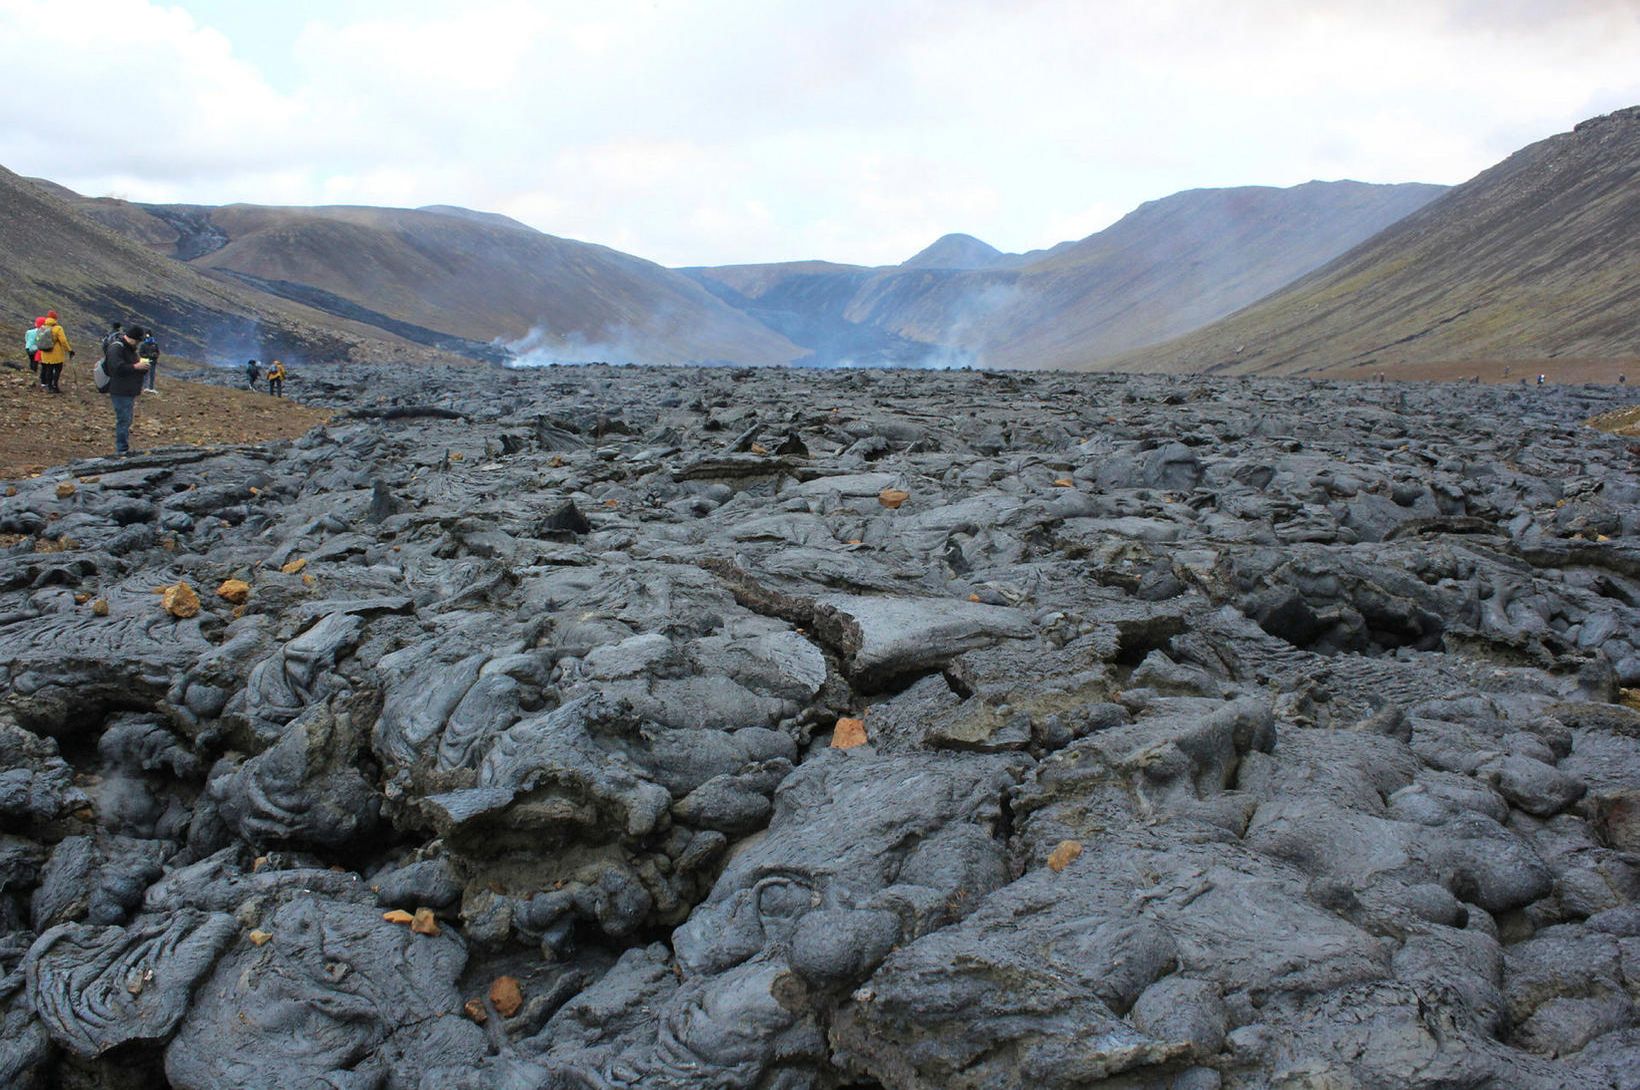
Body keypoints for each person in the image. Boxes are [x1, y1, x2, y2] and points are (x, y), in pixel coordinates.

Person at [101, 324, 150, 456]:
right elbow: (116, 368)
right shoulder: (116, 348)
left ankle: (123, 447)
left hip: (128, 390)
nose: (138, 344)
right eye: (138, 341)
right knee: (123, 419)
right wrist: (136, 367)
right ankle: (121, 449)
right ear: (133, 338)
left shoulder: (129, 348)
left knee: (126, 419)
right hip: (120, 390)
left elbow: (129, 367)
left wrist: (142, 369)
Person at [36, 310, 72, 394]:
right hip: (56, 354)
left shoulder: (43, 327)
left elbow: (38, 339)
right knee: (57, 369)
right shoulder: (58, 328)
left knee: (48, 369)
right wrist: (69, 350)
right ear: (55, 318)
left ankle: (49, 386)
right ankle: (55, 385)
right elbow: (63, 341)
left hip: (45, 353)